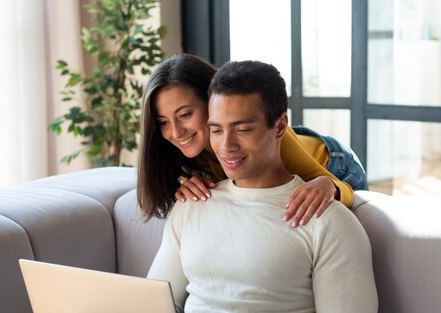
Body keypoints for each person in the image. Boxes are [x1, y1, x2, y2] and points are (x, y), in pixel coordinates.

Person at [0, 60, 378, 313]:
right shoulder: (193, 202)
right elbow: (162, 301)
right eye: (217, 129)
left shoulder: (327, 220)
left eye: (242, 128)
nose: (227, 145)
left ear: (279, 126)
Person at [137, 53, 367, 228]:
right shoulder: (178, 154)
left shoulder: (275, 143)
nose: (176, 133)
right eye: (163, 122)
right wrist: (184, 184)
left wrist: (329, 186)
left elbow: (346, 193)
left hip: (335, 164)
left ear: (212, 101)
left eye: (185, 115)